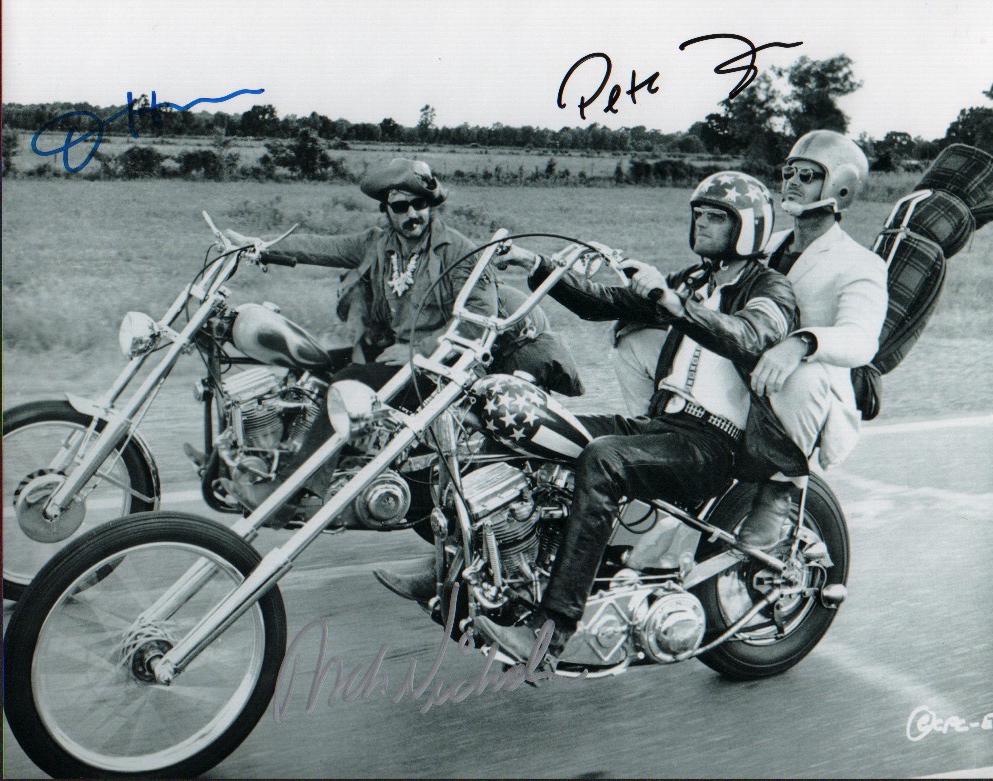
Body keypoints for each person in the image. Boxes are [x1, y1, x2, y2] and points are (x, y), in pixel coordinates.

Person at [378, 172, 799, 662]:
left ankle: (550, 632)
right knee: (528, 432)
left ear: (747, 227)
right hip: (664, 427)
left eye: (715, 218)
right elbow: (600, 303)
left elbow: (751, 336)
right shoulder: (694, 281)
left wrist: (669, 300)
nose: (701, 226)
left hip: (713, 446)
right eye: (698, 215)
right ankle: (454, 564)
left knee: (602, 459)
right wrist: (538, 265)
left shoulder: (770, 287)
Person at [222, 158, 575, 522]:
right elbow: (321, 247)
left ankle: (289, 496)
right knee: (319, 364)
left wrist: (418, 350)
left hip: (443, 365)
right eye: (400, 207)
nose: (412, 215)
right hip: (400, 354)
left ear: (431, 205)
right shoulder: (378, 243)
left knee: (347, 385)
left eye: (419, 205)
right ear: (386, 211)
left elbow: (481, 323)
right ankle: (314, 460)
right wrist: (261, 248)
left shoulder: (458, 252)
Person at [739, 130, 888, 549]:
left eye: (807, 175)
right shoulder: (763, 247)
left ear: (839, 186)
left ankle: (780, 491)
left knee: (802, 375)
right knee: (638, 340)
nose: (792, 181)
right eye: (789, 171)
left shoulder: (860, 263)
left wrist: (800, 343)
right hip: (748, 374)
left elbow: (861, 340)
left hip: (812, 391)